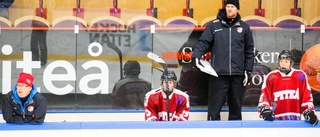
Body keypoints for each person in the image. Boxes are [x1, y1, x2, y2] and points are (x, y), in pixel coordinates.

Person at [191, 0, 254, 120]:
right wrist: (196, 56)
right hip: (218, 74)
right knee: (214, 109)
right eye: (228, 6)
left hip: (237, 74)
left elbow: (249, 50)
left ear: (237, 9)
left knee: (236, 109)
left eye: (232, 6)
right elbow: (203, 42)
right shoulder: (214, 25)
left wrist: (248, 70)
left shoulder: (244, 27)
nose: (229, 9)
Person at [257, 50, 318, 125]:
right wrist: (265, 109)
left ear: (291, 63)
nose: (283, 64)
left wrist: (308, 111)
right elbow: (265, 96)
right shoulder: (271, 77)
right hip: (275, 122)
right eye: (281, 61)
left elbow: (306, 96)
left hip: (295, 121)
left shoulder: (300, 76)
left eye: (286, 62)